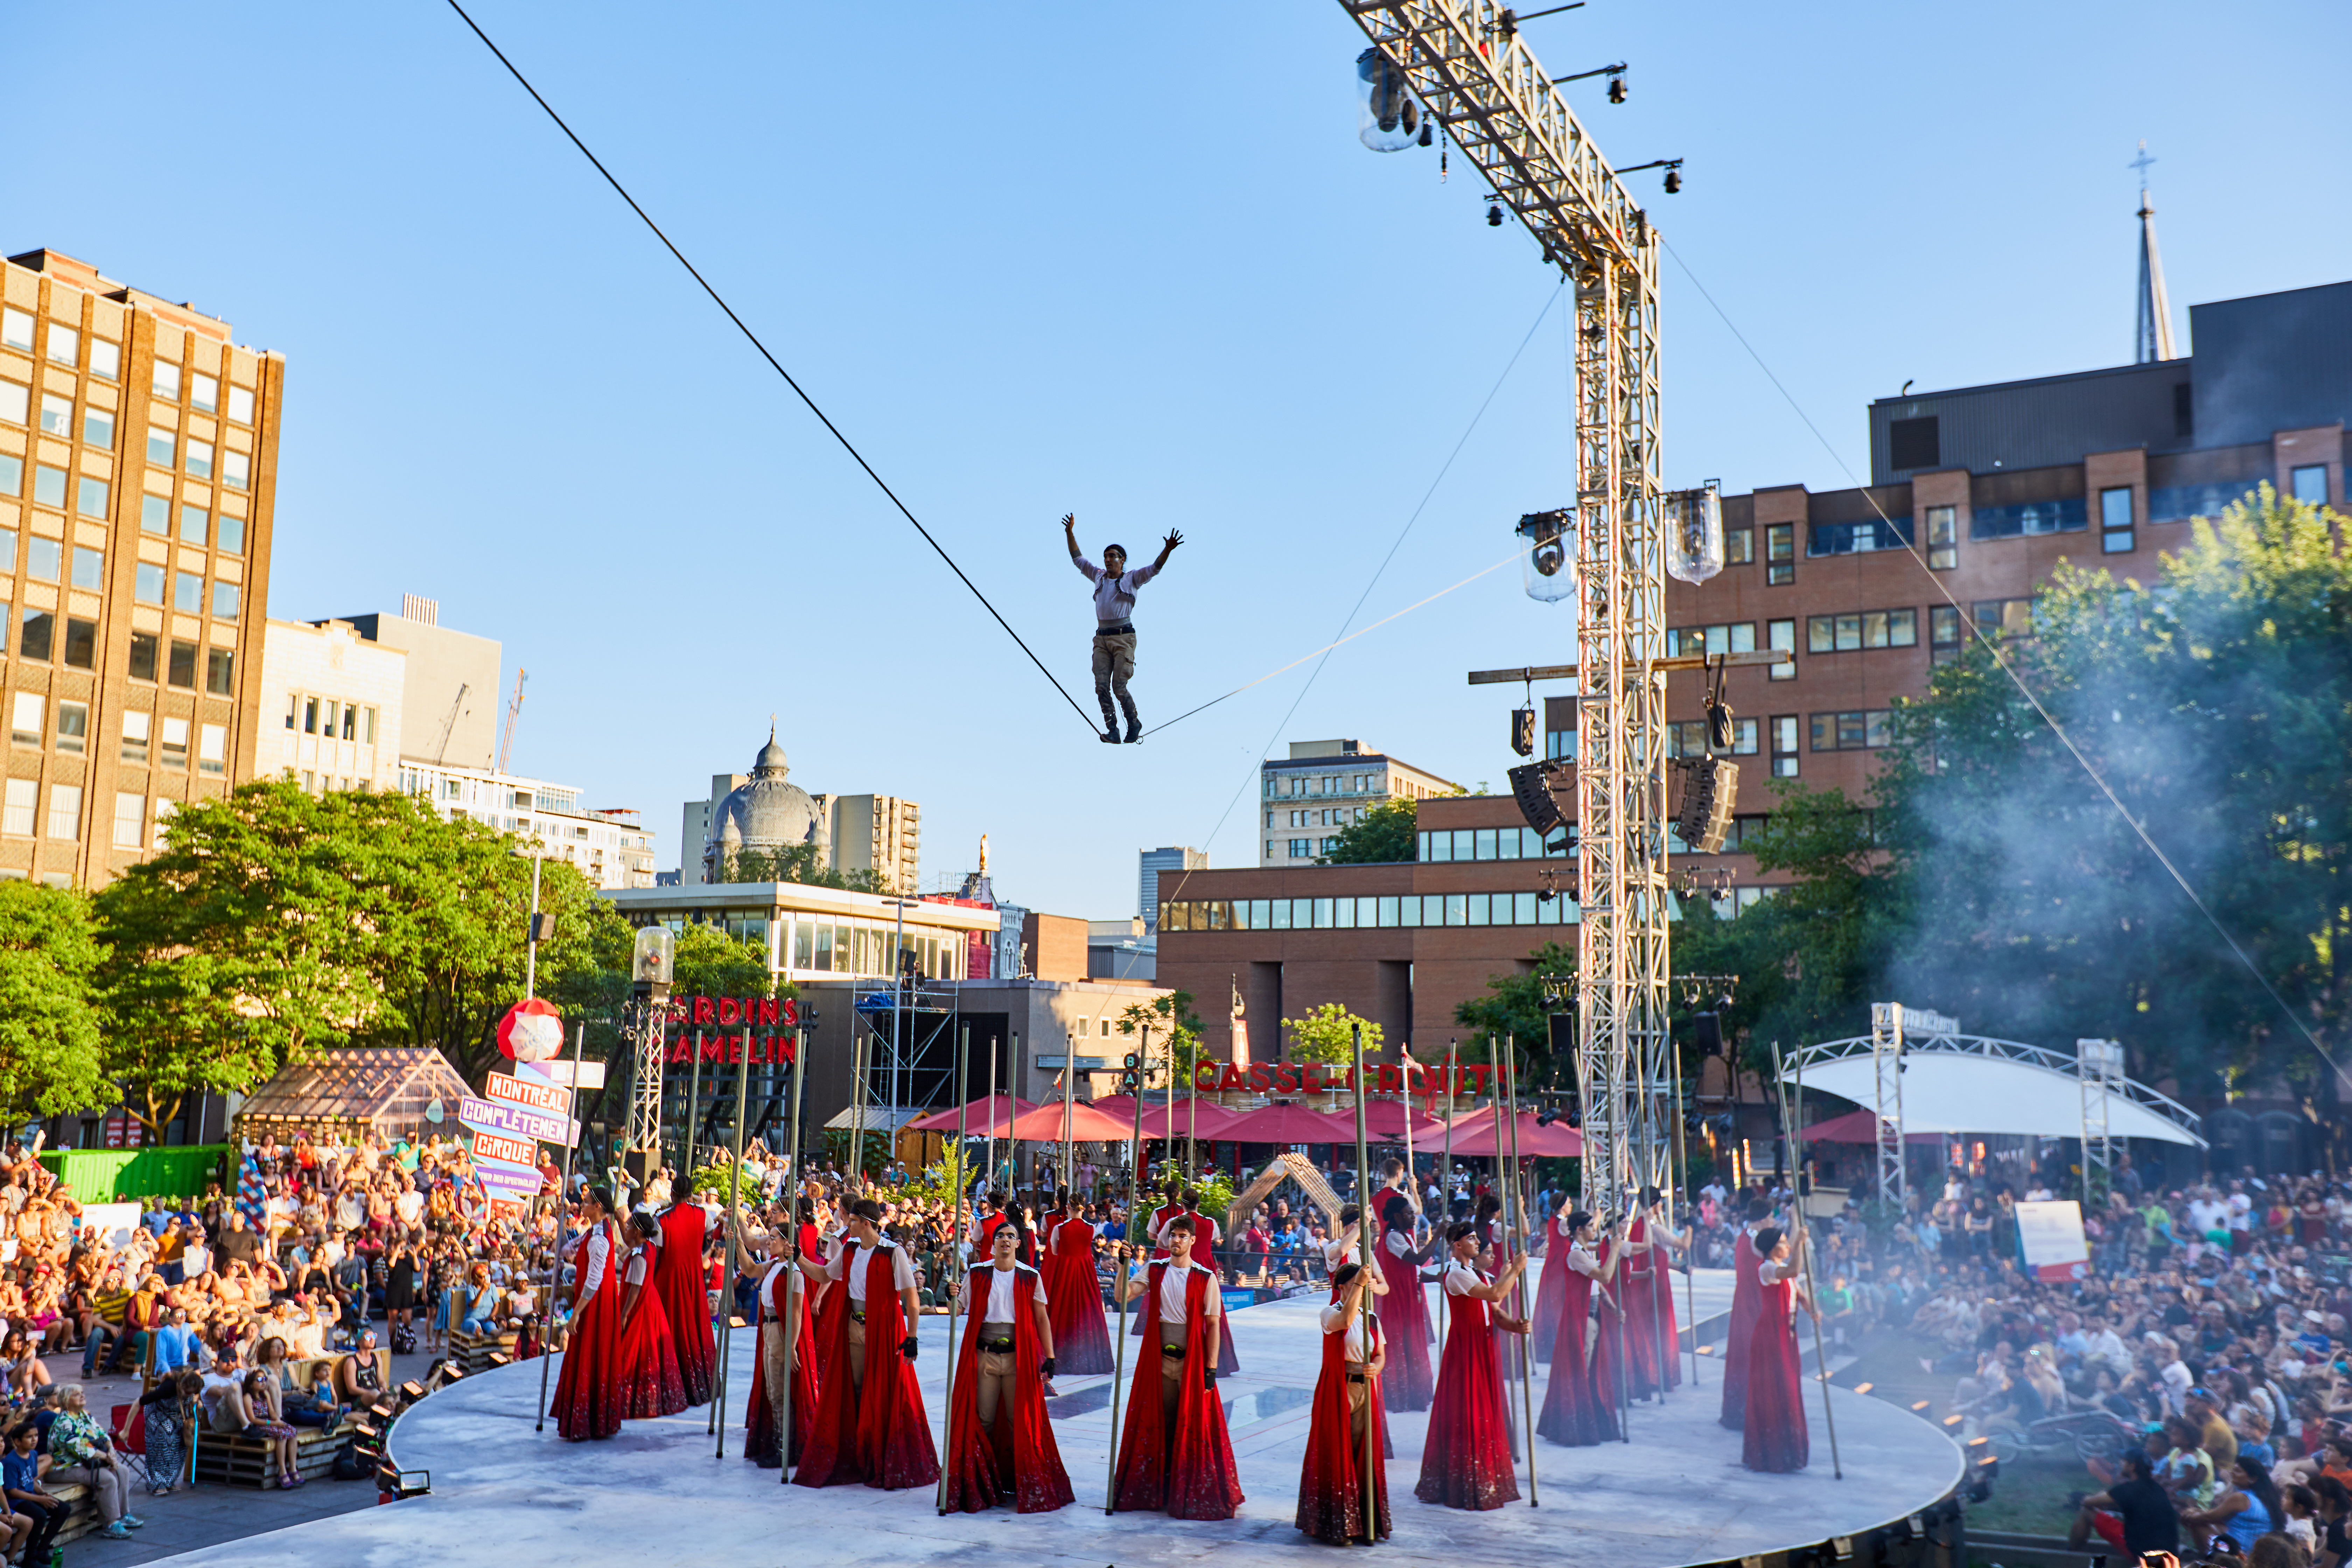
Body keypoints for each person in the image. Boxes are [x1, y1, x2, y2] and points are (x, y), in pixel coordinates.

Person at [792, 1198, 939, 1491]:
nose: (847, 1224)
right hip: (854, 1327)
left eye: (853, 1220)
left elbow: (911, 1299)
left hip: (884, 1329)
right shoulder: (848, 1250)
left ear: (867, 1223)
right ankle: (861, 1451)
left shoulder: (892, 1253)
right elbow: (824, 1275)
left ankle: (881, 1452)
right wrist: (798, 1258)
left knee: (884, 1391)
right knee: (857, 1389)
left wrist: (912, 1337)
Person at [1111, 1216, 1244, 1519]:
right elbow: (1122, 1296)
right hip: (1158, 1359)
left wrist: (1211, 1368)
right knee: (1161, 1421)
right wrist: (1122, 1265)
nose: (1177, 1241)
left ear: (1193, 1241)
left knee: (1192, 1424)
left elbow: (1213, 1324)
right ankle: (1162, 1485)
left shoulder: (1205, 1277)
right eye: (1173, 1235)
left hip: (1191, 1360)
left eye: (1183, 1236)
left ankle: (1189, 1485)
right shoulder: (1155, 1270)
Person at [942, 1221, 1071, 1514]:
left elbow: (1041, 1318)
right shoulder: (977, 1274)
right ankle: (984, 1483)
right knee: (984, 1420)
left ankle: (1021, 1480)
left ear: (1017, 1244)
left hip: (1018, 1359)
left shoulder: (1030, 1276)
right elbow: (956, 1311)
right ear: (993, 1243)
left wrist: (1049, 1356)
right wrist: (951, 1295)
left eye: (1011, 1237)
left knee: (1019, 1422)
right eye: (1000, 1236)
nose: (1004, 1240)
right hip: (985, 1356)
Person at [1416, 1220, 1528, 1511]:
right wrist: (1514, 1270)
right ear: (1457, 1245)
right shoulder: (1455, 1275)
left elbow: (1496, 1312)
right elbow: (1495, 1295)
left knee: (1486, 1407)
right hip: (1466, 1347)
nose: (1477, 1243)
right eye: (1472, 1239)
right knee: (1468, 1409)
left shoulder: (1477, 1274)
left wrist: (1516, 1327)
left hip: (1482, 1344)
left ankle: (1483, 1472)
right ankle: (1465, 1478)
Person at [1062, 512, 1182, 743]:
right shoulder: (1098, 577)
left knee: (1119, 686)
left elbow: (1155, 568)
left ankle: (1133, 722)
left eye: (1113, 557)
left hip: (1123, 637)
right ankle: (1113, 730)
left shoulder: (1132, 579)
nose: (1108, 561)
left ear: (1123, 560)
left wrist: (1167, 550)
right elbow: (1078, 559)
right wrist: (1070, 533)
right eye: (1106, 557)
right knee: (1101, 686)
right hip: (1102, 639)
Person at [1297, 1260, 1390, 1546]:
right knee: (1338, 1452)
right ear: (1341, 1288)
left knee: (1363, 1453)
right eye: (1353, 1285)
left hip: (1366, 1389)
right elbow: (1345, 1322)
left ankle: (1362, 1520)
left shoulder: (1372, 1317)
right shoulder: (1329, 1313)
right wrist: (1361, 1285)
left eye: (1361, 1285)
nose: (1360, 1290)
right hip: (1339, 1388)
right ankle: (1336, 1523)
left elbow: (1380, 1353)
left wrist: (1377, 1366)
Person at [1536, 1210, 1621, 1448]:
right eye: (1591, 1227)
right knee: (1581, 1373)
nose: (1594, 1230)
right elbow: (1604, 1277)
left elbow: (1598, 1288)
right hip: (1581, 1320)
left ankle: (1589, 1421)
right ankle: (1578, 1426)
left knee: (1590, 1372)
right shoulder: (1575, 1255)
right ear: (1580, 1230)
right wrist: (1614, 1249)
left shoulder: (1583, 1252)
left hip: (1591, 1316)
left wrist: (1613, 1308)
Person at [549, 1186, 626, 1441]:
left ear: (598, 1207)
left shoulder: (599, 1238)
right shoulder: (593, 1233)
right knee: (591, 1357)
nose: (582, 1205)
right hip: (595, 1303)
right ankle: (592, 1419)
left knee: (591, 1356)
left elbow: (595, 1279)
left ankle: (589, 1420)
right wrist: (560, 1218)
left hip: (595, 1305)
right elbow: (564, 1251)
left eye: (587, 1202)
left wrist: (576, 1314)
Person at [741, 1224, 818, 1471]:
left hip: (779, 1332)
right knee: (773, 1391)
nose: (768, 1242)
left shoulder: (794, 1273)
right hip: (768, 1329)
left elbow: (797, 1313)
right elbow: (750, 1269)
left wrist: (792, 1346)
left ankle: (786, 1448)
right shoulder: (774, 1266)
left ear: (787, 1244)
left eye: (773, 1238)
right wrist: (740, 1245)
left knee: (780, 1393)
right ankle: (777, 1444)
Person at [1742, 1226, 1818, 1474]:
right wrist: (1800, 1245)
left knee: (1789, 1390)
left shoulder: (1783, 1270)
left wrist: (1811, 1310)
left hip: (1788, 1334)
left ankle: (1790, 1450)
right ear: (1773, 1247)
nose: (1787, 1247)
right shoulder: (1767, 1268)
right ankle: (1773, 1453)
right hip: (1771, 1337)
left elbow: (1798, 1293)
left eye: (1788, 1243)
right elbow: (1793, 1270)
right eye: (1784, 1243)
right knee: (1776, 1390)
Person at [612, 1211, 690, 1420]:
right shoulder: (650, 1247)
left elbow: (635, 1288)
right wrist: (620, 1221)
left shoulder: (639, 1255)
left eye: (628, 1227)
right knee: (651, 1353)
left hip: (640, 1307)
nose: (626, 1230)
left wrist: (624, 1314)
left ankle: (631, 1402)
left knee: (631, 1354)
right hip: (651, 1302)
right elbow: (628, 1245)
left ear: (637, 1231)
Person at [44, 1385, 142, 1540]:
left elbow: (102, 1434)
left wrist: (111, 1450)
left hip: (85, 1463)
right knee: (107, 1478)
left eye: (82, 1393)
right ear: (67, 1402)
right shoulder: (64, 1421)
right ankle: (111, 1524)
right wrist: (106, 1457)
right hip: (63, 1468)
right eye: (77, 1394)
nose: (82, 1396)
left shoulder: (84, 1415)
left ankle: (124, 1515)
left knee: (122, 1471)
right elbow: (80, 1447)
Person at [1374, 1193, 1438, 1412]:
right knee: (1401, 1345)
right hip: (1398, 1299)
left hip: (1410, 1296)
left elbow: (1416, 1271)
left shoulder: (1405, 1235)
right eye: (1409, 1213)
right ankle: (1399, 1395)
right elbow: (1418, 1260)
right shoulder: (1393, 1237)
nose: (1413, 1217)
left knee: (1413, 1343)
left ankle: (1416, 1392)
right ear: (1397, 1217)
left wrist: (1438, 1276)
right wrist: (1437, 1237)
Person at [1043, 1188, 1113, 1376]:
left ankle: (1058, 1355)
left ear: (1068, 1207)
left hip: (1064, 1270)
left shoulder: (1060, 1228)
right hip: (1085, 1272)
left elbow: (1055, 1251)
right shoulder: (1091, 1229)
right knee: (1086, 1311)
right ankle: (1087, 1358)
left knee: (1061, 1309)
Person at [654, 1194, 717, 1407]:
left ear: (672, 1195)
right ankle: (699, 1382)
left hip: (670, 1277)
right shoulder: (702, 1213)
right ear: (691, 1195)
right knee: (695, 1325)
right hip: (693, 1275)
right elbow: (710, 1231)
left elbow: (657, 1252)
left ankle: (674, 1384)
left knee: (672, 1326)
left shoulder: (663, 1218)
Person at [2068, 1449, 2183, 1561]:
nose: (2120, 1463)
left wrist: (2085, 1498)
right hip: (2169, 1552)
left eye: (2123, 1461)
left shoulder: (2128, 1489)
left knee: (2086, 1512)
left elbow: (2088, 1502)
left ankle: (2070, 1556)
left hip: (2142, 1553)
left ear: (2132, 1466)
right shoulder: (2157, 1488)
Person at [1718, 1198, 1772, 1430]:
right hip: (1752, 1306)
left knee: (1744, 1357)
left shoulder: (1744, 1236)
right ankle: (1750, 1411)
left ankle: (1744, 1409)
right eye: (1770, 1217)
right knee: (1752, 1358)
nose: (1772, 1221)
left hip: (1746, 1303)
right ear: (1762, 1220)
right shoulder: (1753, 1242)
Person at [2186, 1454, 2286, 1556]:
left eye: (2238, 1471)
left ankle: (2210, 1560)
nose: (2232, 1473)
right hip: (2256, 1554)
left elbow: (2209, 1517)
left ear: (2252, 1479)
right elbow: (2218, 1518)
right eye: (2233, 1470)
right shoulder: (2266, 1498)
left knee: (2197, 1523)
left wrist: (2189, 1516)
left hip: (2236, 1554)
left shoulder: (2241, 1498)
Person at [2, 1422, 66, 1568]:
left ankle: (41, 1550)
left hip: (30, 1495)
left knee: (63, 1509)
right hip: (16, 1501)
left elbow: (32, 1480)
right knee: (39, 1515)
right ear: (18, 1442)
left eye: (36, 1436)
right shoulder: (10, 1462)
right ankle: (29, 1559)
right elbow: (12, 1491)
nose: (34, 1440)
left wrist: (42, 1493)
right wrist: (39, 1499)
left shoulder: (33, 1454)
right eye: (29, 1437)